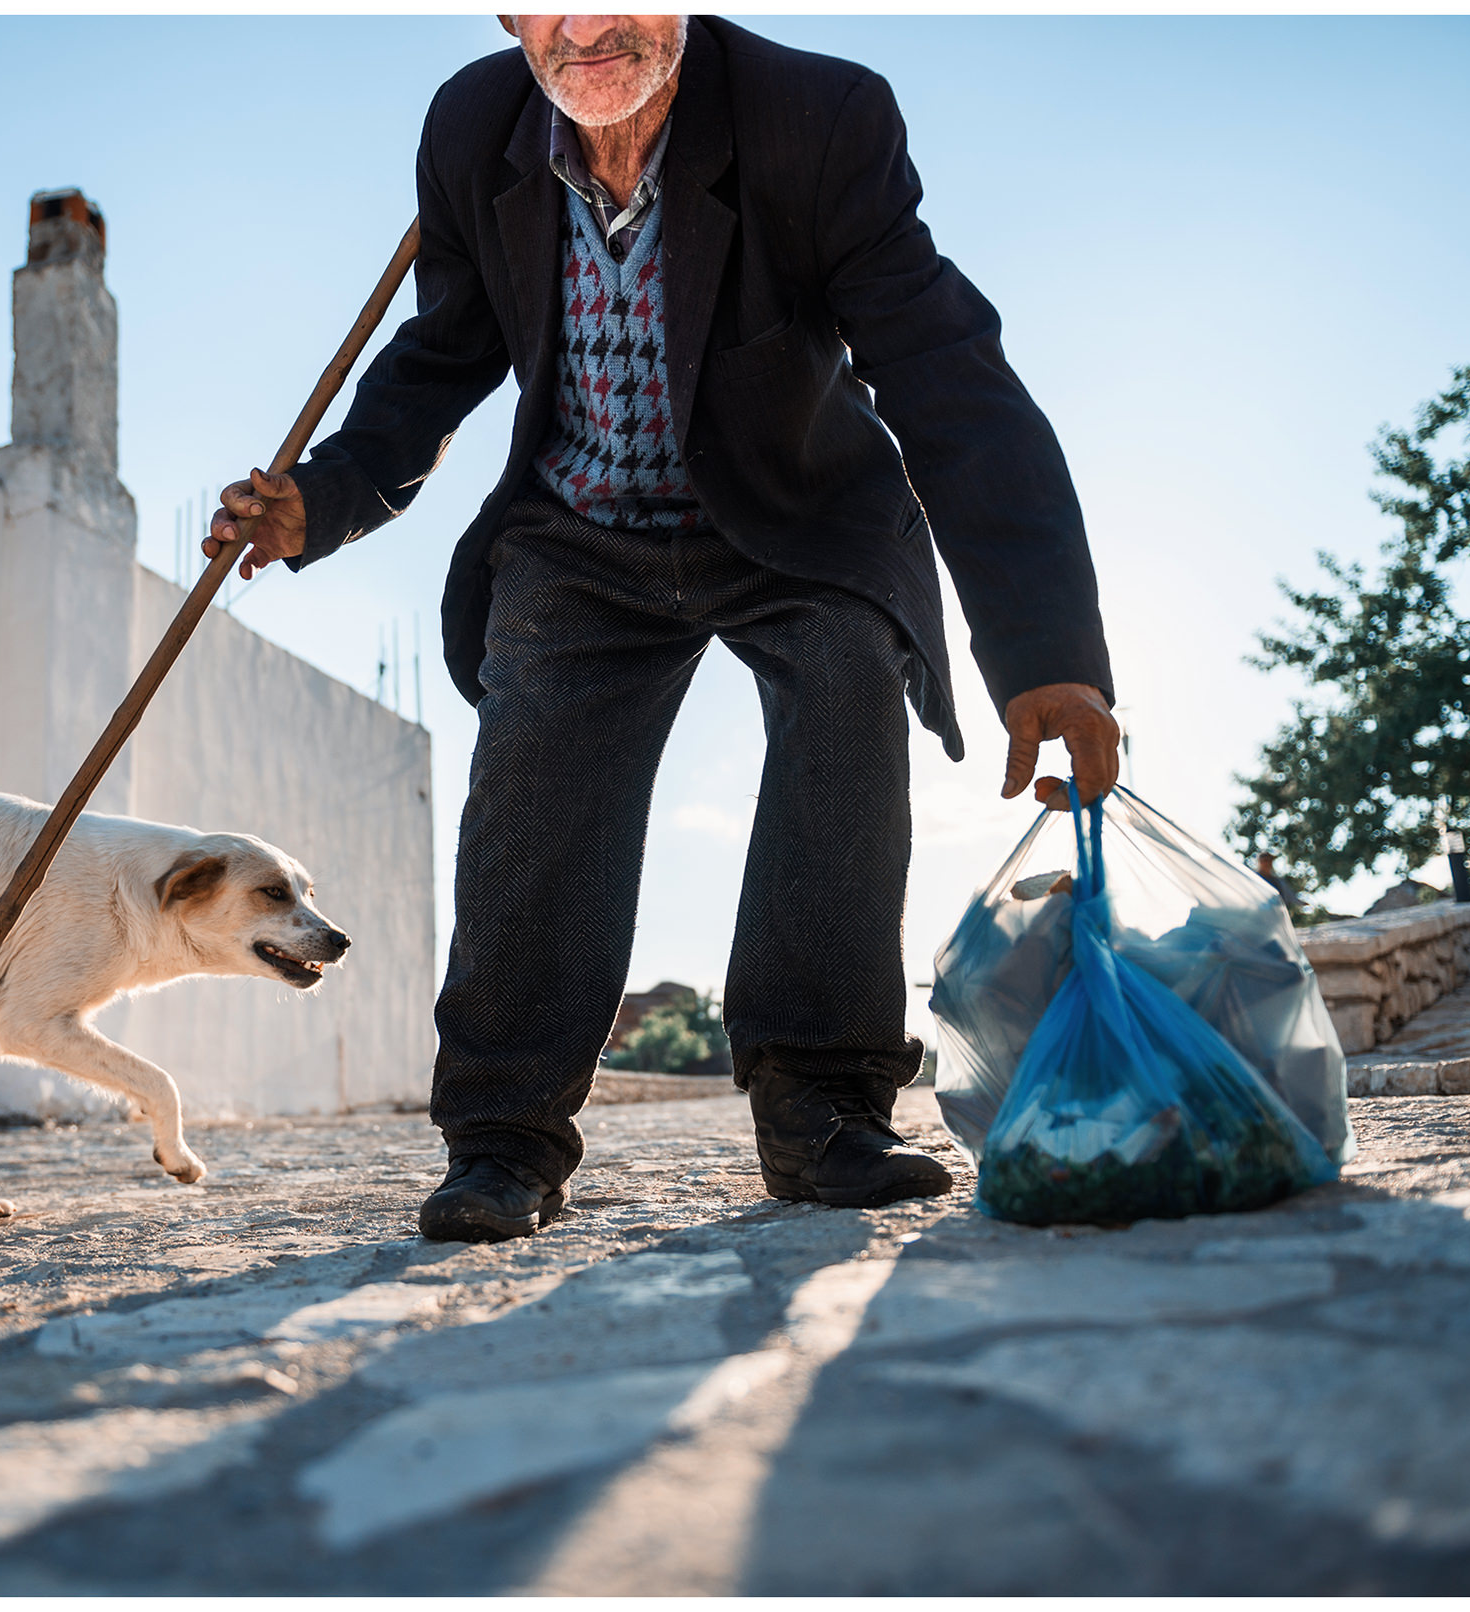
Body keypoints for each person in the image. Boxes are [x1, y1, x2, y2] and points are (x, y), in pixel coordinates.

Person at [207, 15, 1119, 1242]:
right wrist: (323, 495)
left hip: (793, 514)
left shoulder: (820, 118)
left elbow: (947, 372)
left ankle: (822, 1111)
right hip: (580, 525)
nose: (589, 27)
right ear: (507, 15)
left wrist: (1048, 652)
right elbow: (440, 360)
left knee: (845, 679)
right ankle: (503, 1136)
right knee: (535, 758)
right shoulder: (474, 128)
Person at [1254, 850, 1303, 920]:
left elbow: (1290, 895)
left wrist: (1302, 903)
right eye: (1265, 861)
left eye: (1270, 861)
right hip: (1259, 915)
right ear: (1260, 862)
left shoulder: (1278, 881)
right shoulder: (1254, 878)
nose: (1268, 863)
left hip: (1277, 916)